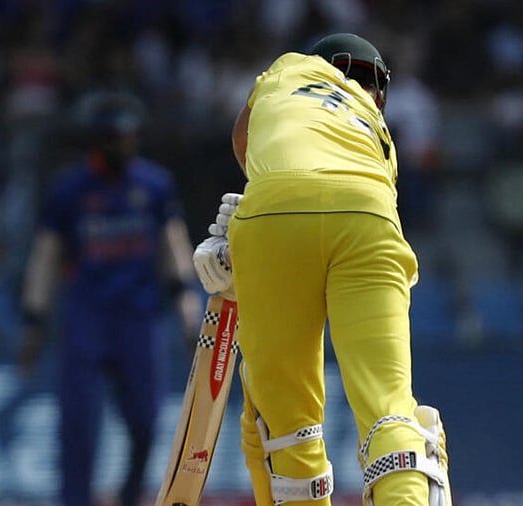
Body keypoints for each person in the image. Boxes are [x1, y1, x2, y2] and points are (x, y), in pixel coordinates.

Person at [192, 33, 452, 505]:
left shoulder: (288, 68)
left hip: (274, 218)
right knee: (389, 408)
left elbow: (244, 141)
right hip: (369, 217)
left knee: (282, 422)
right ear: (378, 92)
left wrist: (245, 237)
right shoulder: (378, 132)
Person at [17, 91, 202, 506]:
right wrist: (34, 321)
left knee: (146, 422)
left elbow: (173, 244)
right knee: (79, 426)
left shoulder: (154, 184)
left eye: (129, 136)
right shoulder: (69, 189)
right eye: (115, 137)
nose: (123, 144)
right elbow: (45, 256)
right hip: (87, 318)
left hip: (139, 318)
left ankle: (129, 496)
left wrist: (188, 308)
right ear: (97, 140)